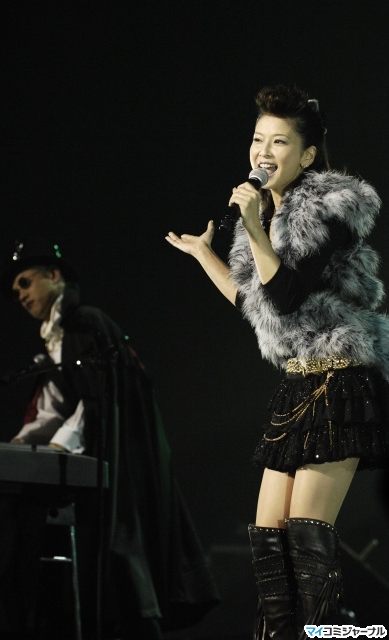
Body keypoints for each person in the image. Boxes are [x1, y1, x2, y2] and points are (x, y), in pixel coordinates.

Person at [165, 83, 389, 638]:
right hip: (297, 385)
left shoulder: (332, 207)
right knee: (270, 543)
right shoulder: (265, 215)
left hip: (341, 380)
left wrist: (254, 227)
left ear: (307, 155)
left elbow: (286, 295)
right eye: (258, 138)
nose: (263, 152)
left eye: (279, 141)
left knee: (306, 540)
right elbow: (259, 306)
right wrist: (206, 255)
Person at [0, 238, 219, 640]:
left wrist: (58, 448)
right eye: (16, 292)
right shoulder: (58, 337)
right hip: (92, 461)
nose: (21, 295)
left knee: (122, 547)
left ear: (54, 275)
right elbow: (54, 408)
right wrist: (19, 447)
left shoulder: (87, 323)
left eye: (25, 283)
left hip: (118, 461)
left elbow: (96, 402)